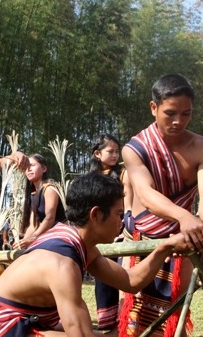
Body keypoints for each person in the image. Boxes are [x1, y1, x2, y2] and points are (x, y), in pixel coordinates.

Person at [0, 172, 191, 337]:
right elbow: (79, 334)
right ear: (96, 215)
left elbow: (130, 281)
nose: (122, 223)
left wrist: (165, 247)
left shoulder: (78, 245)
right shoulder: (62, 264)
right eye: (118, 215)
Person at [119, 73, 203, 337]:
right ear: (153, 108)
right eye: (170, 113)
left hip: (183, 240)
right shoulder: (135, 148)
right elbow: (145, 193)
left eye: (186, 114)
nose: (178, 121)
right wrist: (184, 216)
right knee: (133, 316)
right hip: (142, 238)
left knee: (176, 317)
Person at [89, 134, 131, 332]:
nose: (115, 155)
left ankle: (121, 324)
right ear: (97, 154)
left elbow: (128, 203)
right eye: (110, 151)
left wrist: (124, 226)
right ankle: (107, 325)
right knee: (102, 275)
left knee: (119, 273)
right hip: (97, 232)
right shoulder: (91, 179)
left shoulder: (124, 174)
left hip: (119, 230)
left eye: (117, 151)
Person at [14, 153, 66, 250]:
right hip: (45, 235)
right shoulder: (34, 193)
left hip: (59, 235)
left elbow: (50, 218)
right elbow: (33, 225)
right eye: (26, 167)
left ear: (44, 169)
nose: (29, 169)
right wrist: (23, 242)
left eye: (32, 165)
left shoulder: (50, 188)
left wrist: (33, 238)